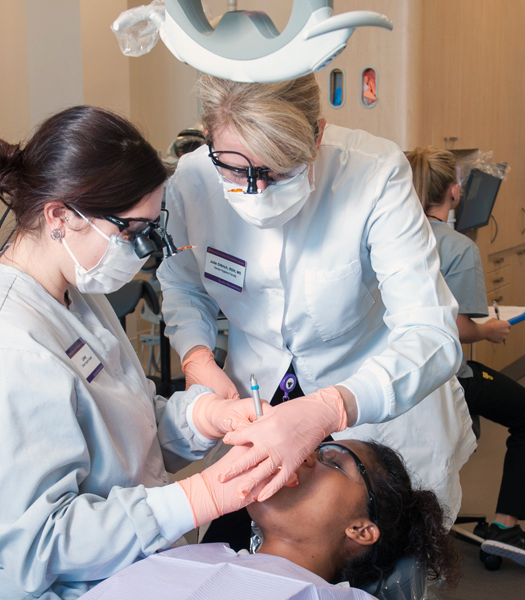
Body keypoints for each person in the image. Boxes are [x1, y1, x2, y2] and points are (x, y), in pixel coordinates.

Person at [0, 106, 277, 599]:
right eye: (129, 232)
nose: (138, 252)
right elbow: (41, 543)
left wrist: (203, 417)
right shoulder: (4, 351)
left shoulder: (77, 294)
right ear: (59, 216)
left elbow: (117, 430)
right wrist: (198, 496)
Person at [158, 74, 477, 549]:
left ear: (318, 136)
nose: (255, 190)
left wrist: (333, 407)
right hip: (257, 395)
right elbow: (183, 284)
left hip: (370, 399)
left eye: (278, 172)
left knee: (371, 556)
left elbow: (431, 332)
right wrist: (196, 356)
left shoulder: (373, 173)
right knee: (240, 541)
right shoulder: (193, 180)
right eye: (234, 169)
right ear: (209, 142)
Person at [405, 147, 525, 569]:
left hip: (395, 374)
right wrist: (490, 329)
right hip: (445, 375)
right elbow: (457, 329)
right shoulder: (456, 247)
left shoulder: (384, 236)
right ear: (454, 192)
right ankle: (506, 527)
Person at [82, 440, 458, 598]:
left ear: (361, 529)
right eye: (313, 449)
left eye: (333, 462)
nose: (304, 457)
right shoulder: (188, 553)